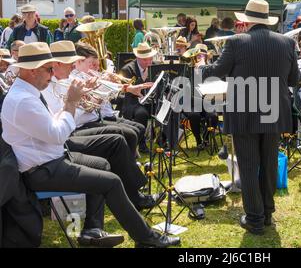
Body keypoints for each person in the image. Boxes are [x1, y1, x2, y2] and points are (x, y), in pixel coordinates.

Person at [1, 42, 179, 248]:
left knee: (102, 165)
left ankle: (92, 231)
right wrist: (71, 103)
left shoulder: (27, 92)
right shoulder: (23, 99)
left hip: (51, 159)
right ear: (32, 71)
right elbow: (58, 134)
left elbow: (53, 124)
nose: (52, 74)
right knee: (111, 182)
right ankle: (147, 239)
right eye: (49, 69)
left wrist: (72, 103)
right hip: (43, 170)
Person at [196, 0, 299, 235]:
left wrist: (202, 65)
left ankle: (254, 218)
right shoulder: (287, 42)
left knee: (249, 165)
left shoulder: (236, 42)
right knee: (270, 163)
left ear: (246, 20)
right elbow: (294, 79)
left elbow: (217, 73)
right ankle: (267, 214)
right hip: (274, 110)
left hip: (244, 111)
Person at [120, 42, 158, 152]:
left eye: (150, 59)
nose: (148, 62)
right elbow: (124, 90)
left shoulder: (155, 66)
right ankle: (141, 144)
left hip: (152, 100)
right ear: (137, 57)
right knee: (142, 114)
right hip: (133, 101)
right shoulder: (127, 69)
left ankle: (164, 140)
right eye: (145, 59)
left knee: (167, 109)